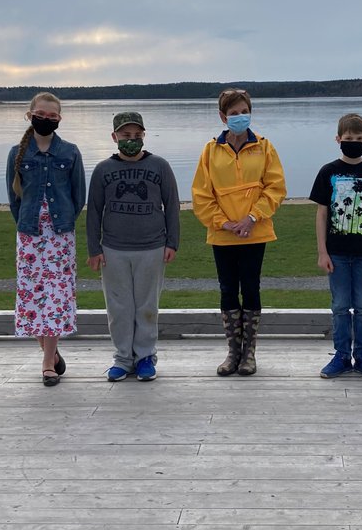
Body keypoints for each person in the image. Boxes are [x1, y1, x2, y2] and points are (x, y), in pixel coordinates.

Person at [192, 88, 286, 376]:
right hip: (223, 234)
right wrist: (223, 222)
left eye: (244, 111)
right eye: (233, 113)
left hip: (255, 232)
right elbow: (201, 194)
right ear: (223, 117)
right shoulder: (210, 150)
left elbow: (276, 188)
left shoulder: (265, 147)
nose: (239, 117)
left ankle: (249, 354)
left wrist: (251, 217)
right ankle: (232, 352)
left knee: (251, 287)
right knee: (227, 289)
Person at [86, 111, 180, 382]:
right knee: (119, 307)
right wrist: (95, 248)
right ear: (115, 137)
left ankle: (146, 357)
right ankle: (122, 358)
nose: (132, 140)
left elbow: (172, 205)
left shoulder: (159, 166)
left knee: (147, 306)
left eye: (137, 136)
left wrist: (172, 241)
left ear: (143, 136)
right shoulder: (104, 170)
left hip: (152, 247)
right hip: (114, 249)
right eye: (126, 136)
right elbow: (93, 211)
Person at [6, 92, 86, 387]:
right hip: (29, 236)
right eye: (41, 114)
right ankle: (51, 352)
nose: (46, 120)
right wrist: (27, 223)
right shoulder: (17, 153)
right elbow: (14, 198)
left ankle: (46, 363)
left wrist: (61, 222)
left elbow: (78, 196)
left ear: (59, 120)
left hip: (60, 237)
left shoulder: (70, 152)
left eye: (52, 117)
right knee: (33, 296)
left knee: (56, 295)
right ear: (30, 115)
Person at [310, 113, 362, 379]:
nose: (353, 142)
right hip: (336, 253)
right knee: (340, 305)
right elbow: (322, 213)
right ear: (338, 139)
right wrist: (322, 251)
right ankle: (341, 355)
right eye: (348, 139)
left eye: (358, 139)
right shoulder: (328, 171)